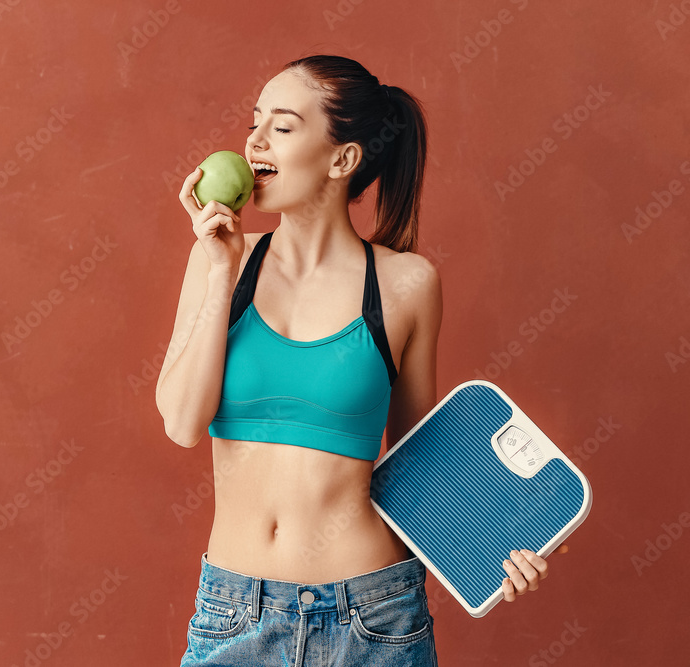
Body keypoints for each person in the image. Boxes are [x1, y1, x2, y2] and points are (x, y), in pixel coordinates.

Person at [157, 54, 553, 666]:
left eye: (282, 127)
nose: (254, 141)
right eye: (254, 122)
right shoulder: (224, 263)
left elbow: (424, 462)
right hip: (233, 611)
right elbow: (183, 423)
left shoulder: (406, 285)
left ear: (342, 160)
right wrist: (217, 269)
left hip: (373, 616)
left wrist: (501, 546)